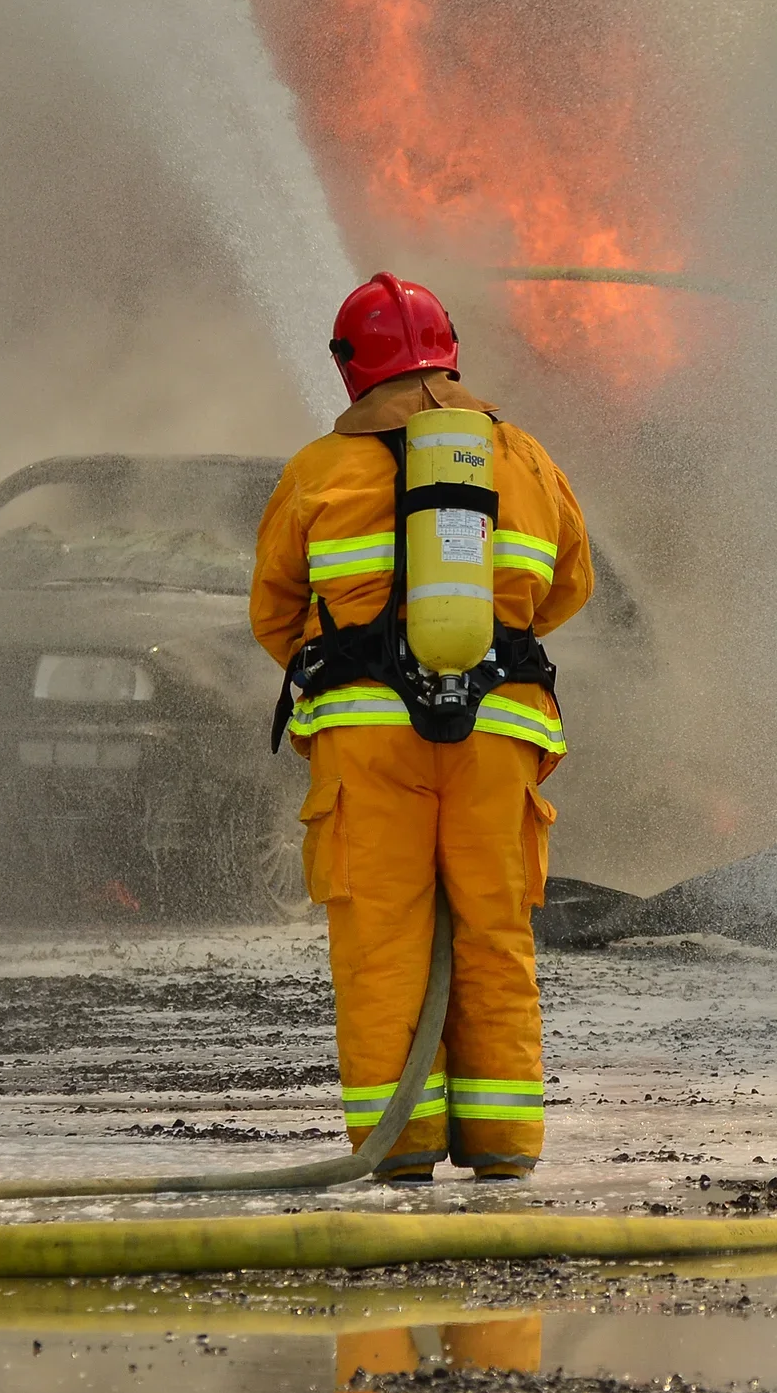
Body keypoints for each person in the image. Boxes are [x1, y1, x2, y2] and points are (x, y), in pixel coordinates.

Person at [251, 273, 592, 1182]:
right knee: (492, 935)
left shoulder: (316, 470)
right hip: (497, 733)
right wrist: (484, 639)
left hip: (367, 745)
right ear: (450, 351)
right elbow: (569, 586)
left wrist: (353, 661)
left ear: (348, 364)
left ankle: (398, 1149)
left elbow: (273, 613)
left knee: (383, 947)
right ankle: (503, 1144)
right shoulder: (521, 456)